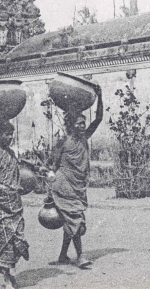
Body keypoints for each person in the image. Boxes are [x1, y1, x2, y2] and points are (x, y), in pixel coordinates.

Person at [46, 83, 104, 269]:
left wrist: (100, 97)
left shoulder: (84, 137)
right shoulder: (63, 142)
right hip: (64, 185)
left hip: (78, 186)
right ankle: (80, 257)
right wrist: (50, 185)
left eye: (83, 123)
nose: (82, 126)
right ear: (70, 125)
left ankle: (63, 255)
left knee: (71, 222)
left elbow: (99, 118)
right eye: (78, 123)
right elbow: (54, 166)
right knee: (76, 221)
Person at [0, 120, 29, 289]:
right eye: (7, 134)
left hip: (15, 204)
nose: (10, 137)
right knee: (4, 241)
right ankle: (7, 278)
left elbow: (17, 174)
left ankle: (10, 273)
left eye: (11, 134)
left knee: (18, 239)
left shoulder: (10, 153)